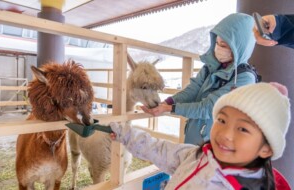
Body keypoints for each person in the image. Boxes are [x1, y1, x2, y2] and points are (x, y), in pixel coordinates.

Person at [110, 82, 291, 190]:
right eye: (221, 120)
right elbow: (159, 149)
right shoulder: (199, 156)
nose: (226, 134)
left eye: (243, 129)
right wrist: (125, 134)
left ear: (267, 148)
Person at [141, 13, 257, 145]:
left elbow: (208, 108)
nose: (218, 49)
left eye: (223, 45)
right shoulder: (211, 67)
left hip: (217, 146)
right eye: (217, 43)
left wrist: (169, 108)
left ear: (239, 47)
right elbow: (192, 90)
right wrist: (166, 102)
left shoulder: (243, 78)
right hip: (194, 139)